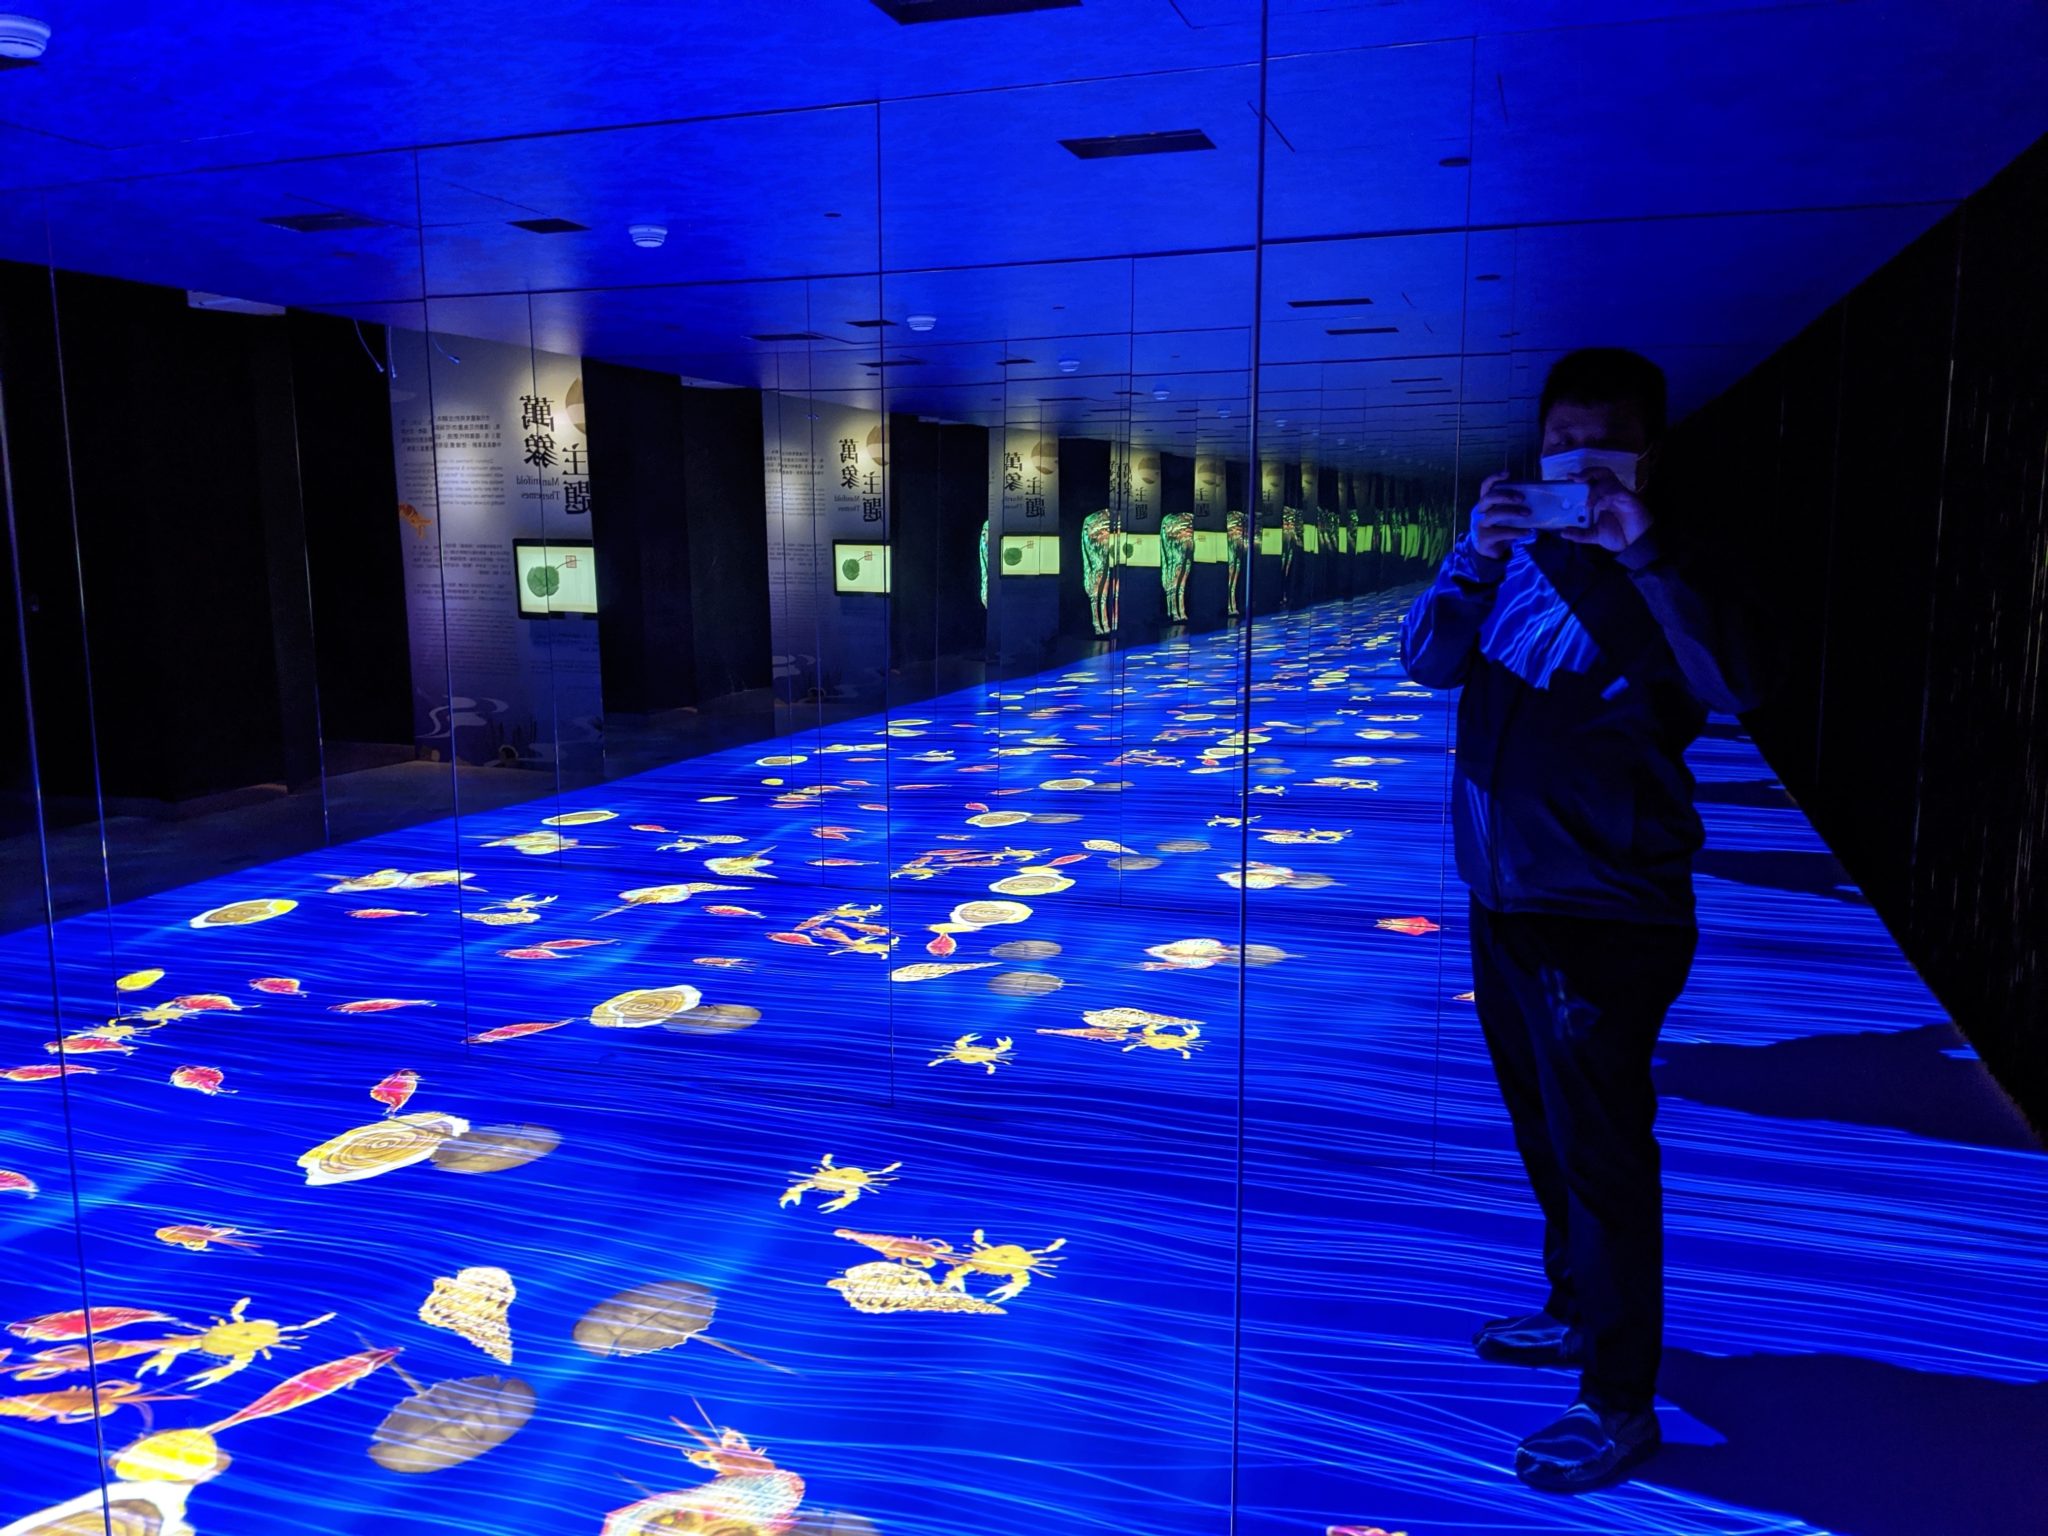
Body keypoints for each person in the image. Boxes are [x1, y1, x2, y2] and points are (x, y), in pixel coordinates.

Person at [1398, 348, 1769, 1492]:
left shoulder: (1676, 562)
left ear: (1644, 456)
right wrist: (1472, 556)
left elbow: (1735, 683)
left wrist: (1642, 551)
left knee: (1601, 1156)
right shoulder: (1512, 558)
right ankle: (1574, 1307)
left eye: (1598, 448)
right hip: (1501, 898)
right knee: (1541, 1128)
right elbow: (1424, 661)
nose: (1574, 467)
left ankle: (1616, 1399)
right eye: (1558, 445)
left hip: (1604, 914)